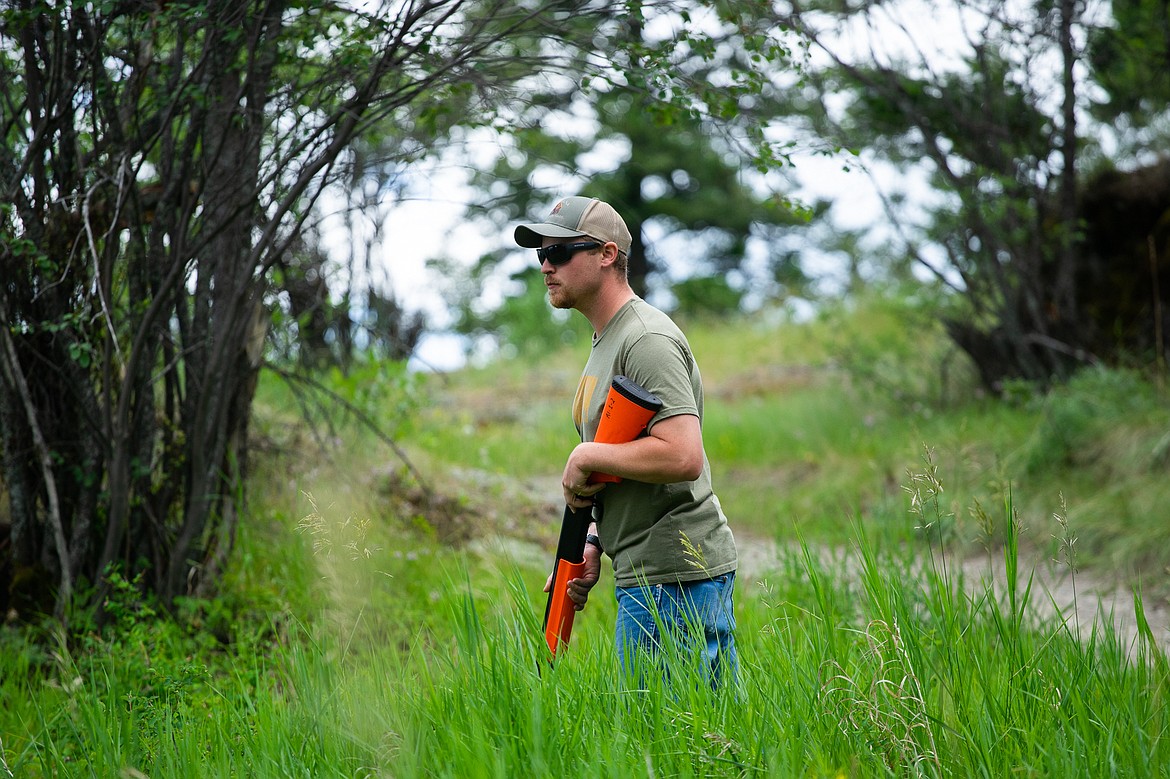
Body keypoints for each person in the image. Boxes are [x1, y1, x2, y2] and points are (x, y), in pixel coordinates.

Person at [514, 196, 739, 689]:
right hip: (645, 571)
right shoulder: (608, 339)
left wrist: (585, 455)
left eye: (560, 253)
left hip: (676, 575)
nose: (546, 267)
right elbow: (626, 456)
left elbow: (682, 454)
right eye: (540, 256)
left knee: (675, 746)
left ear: (607, 254)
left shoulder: (645, 340)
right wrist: (595, 540)